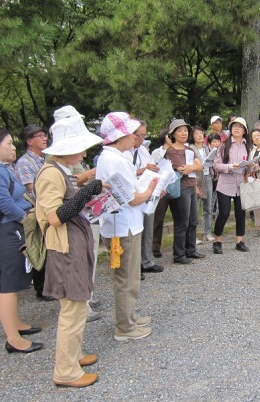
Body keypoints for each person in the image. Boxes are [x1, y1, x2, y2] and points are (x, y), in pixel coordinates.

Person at [35, 108, 103, 388]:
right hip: (64, 249)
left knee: (76, 305)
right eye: (80, 149)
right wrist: (86, 192)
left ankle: (74, 356)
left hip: (73, 245)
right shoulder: (50, 174)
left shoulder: (61, 170)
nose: (84, 154)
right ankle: (65, 372)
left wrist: (86, 189)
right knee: (72, 310)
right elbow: (53, 216)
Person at [0, 127, 42, 354]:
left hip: (13, 228)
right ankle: (12, 338)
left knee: (12, 281)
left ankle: (16, 324)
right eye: (9, 144)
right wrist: (27, 220)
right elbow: (5, 204)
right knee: (8, 286)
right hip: (7, 229)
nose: (13, 148)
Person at [96, 112, 159, 341]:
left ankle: (128, 316)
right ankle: (125, 327)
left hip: (122, 224)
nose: (135, 138)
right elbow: (132, 198)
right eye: (131, 133)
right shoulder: (116, 160)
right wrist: (152, 189)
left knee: (128, 275)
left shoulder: (112, 157)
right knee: (126, 277)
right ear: (120, 135)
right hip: (123, 227)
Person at [15, 124, 55, 301]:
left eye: (43, 135)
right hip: (37, 208)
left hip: (50, 205)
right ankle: (42, 288)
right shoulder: (25, 162)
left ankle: (52, 284)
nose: (44, 138)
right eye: (38, 136)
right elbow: (31, 188)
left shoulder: (46, 158)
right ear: (29, 141)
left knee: (52, 246)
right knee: (40, 246)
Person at [127, 120, 164, 274]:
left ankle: (147, 261)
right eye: (139, 135)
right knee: (134, 231)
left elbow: (153, 169)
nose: (141, 139)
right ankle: (134, 266)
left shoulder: (143, 150)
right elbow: (126, 174)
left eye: (144, 136)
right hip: (132, 194)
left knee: (148, 227)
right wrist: (143, 170)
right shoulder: (123, 152)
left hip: (148, 192)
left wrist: (159, 186)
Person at [165, 119, 204, 264]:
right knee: (182, 222)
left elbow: (200, 167)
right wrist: (192, 166)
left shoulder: (189, 149)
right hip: (180, 188)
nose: (183, 133)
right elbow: (182, 169)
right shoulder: (171, 151)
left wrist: (192, 167)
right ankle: (179, 254)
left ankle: (191, 249)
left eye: (185, 130)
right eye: (180, 130)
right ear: (173, 134)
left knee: (193, 220)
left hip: (192, 186)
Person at [212, 117, 253, 254]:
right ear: (230, 129)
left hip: (241, 183)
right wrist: (230, 166)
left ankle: (239, 241)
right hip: (225, 183)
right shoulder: (224, 145)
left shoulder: (248, 146)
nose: (237, 128)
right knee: (223, 213)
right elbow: (216, 165)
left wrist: (251, 166)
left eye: (240, 127)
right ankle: (217, 241)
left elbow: (249, 168)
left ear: (244, 130)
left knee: (240, 213)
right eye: (234, 126)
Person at [188, 126, 215, 242]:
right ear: (192, 135)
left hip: (207, 177)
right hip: (195, 179)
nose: (200, 135)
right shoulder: (189, 149)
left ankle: (207, 232)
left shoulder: (207, 148)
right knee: (194, 208)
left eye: (201, 133)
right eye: (197, 133)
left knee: (208, 207)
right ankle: (192, 236)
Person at [151, 128, 171, 258]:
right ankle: (155, 246)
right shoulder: (156, 152)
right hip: (161, 187)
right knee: (158, 219)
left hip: (176, 186)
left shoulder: (181, 150)